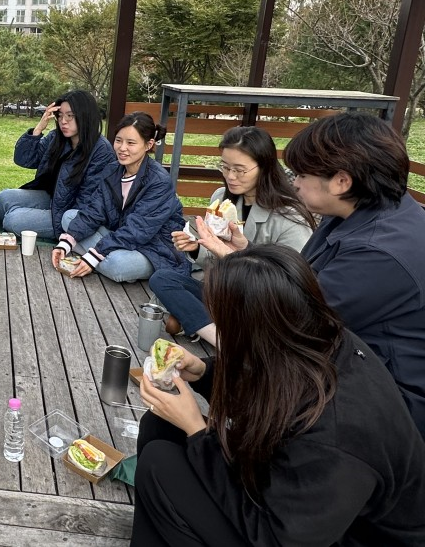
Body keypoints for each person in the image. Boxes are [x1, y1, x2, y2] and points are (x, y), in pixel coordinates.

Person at [133, 246, 425, 546]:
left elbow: (278, 537)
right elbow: (271, 383)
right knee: (161, 427)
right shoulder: (317, 337)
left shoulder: (339, 434)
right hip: (292, 490)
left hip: (337, 536)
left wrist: (197, 429)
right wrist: (204, 373)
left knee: (160, 464)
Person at [284, 112, 425, 438]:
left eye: (301, 174)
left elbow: (298, 321)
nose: (295, 183)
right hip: (352, 362)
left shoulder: (379, 253)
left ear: (342, 181)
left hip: (390, 401)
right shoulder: (364, 208)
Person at [148, 126, 315, 346]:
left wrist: (241, 251)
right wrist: (197, 247)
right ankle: (219, 338)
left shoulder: (289, 217)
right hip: (223, 294)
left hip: (259, 306)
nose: (230, 176)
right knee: (163, 278)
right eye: (225, 167)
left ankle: (200, 323)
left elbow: (289, 286)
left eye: (239, 170)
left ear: (264, 167)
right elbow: (212, 260)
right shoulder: (221, 198)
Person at [52, 112, 188, 282]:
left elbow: (138, 230)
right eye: (118, 140)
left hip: (154, 246)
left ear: (148, 145)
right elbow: (95, 209)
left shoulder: (158, 181)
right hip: (120, 233)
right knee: (69, 217)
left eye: (131, 143)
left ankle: (97, 256)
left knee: (119, 266)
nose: (122, 148)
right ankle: (100, 255)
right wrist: (65, 244)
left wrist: (93, 256)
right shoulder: (112, 170)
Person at [0, 90, 116, 240]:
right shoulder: (56, 138)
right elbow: (24, 159)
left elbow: (89, 202)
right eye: (60, 115)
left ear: (85, 116)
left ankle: (7, 229)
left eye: (70, 116)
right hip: (53, 199)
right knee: (3, 198)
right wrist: (39, 129)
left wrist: (50, 216)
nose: (63, 121)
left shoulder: (101, 151)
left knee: (13, 220)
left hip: (71, 214)